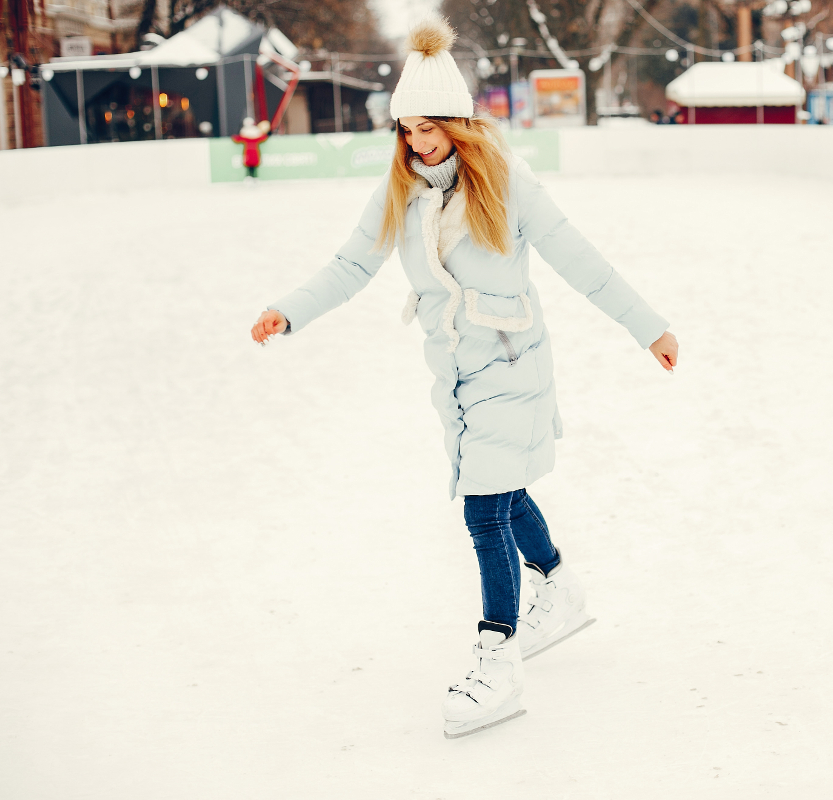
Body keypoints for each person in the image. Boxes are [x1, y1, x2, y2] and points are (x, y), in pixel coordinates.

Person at [250, 14, 678, 740]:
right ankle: (559, 586)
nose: (417, 143)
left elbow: (580, 258)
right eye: (406, 130)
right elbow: (352, 265)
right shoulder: (400, 191)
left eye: (429, 128)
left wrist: (649, 327)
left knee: (484, 507)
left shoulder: (507, 182)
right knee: (503, 494)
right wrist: (287, 312)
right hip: (453, 377)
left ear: (459, 122)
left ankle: (498, 656)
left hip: (514, 365)